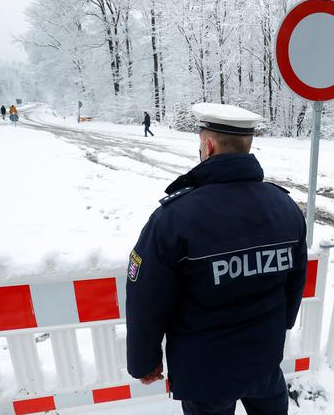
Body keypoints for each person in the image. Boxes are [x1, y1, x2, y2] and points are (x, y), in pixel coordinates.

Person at [126, 103, 308, 415]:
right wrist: (281, 325)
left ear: (207, 147)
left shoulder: (173, 219)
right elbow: (295, 281)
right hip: (264, 357)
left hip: (205, 370)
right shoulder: (285, 207)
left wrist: (144, 361)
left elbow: (146, 299)